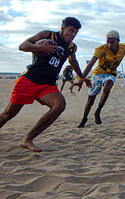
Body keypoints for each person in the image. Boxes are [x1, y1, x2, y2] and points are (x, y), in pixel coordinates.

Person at [0, 17, 90, 152]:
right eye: (71, 31)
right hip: (30, 80)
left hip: (48, 84)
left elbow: (73, 61)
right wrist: (40, 47)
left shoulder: (72, 47)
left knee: (59, 105)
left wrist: (82, 78)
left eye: (76, 32)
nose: (73, 35)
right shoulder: (47, 35)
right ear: (62, 29)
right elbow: (22, 46)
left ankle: (27, 139)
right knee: (8, 113)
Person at [76, 30, 125, 128]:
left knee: (107, 88)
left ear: (118, 41)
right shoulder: (100, 49)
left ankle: (98, 111)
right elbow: (91, 64)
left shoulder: (124, 48)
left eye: (112, 42)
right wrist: (81, 80)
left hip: (110, 73)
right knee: (91, 99)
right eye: (107, 41)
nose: (109, 44)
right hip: (98, 73)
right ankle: (84, 118)